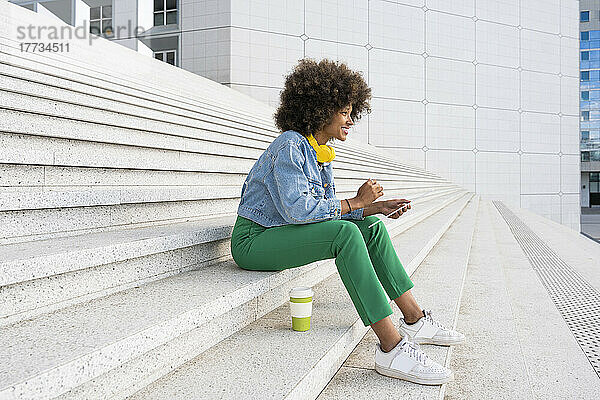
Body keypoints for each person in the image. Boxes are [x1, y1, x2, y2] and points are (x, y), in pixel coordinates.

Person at [230, 59, 465, 386]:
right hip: (254, 242)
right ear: (319, 109)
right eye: (344, 112)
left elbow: (324, 208)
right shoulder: (289, 145)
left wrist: (373, 209)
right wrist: (357, 202)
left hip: (281, 233)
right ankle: (391, 347)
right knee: (345, 234)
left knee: (370, 228)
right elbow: (299, 210)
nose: (351, 120)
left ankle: (414, 320)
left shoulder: (320, 151)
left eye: (352, 112)